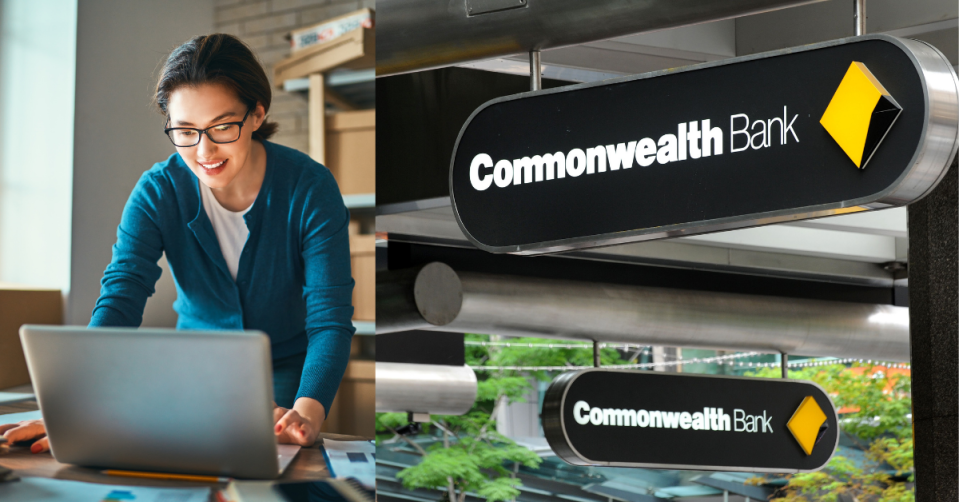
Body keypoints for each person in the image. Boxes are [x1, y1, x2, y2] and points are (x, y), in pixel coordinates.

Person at [0, 34, 354, 453]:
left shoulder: (309, 188)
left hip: (288, 372)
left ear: (257, 113)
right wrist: (76, 405)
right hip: (193, 373)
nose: (204, 151)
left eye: (222, 126)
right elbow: (121, 296)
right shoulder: (157, 192)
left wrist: (308, 410)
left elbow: (329, 318)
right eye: (185, 130)